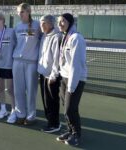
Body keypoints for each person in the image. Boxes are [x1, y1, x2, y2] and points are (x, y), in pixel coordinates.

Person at [56, 13, 87, 146]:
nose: (60, 24)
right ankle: (70, 130)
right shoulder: (65, 37)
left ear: (70, 22)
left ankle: (76, 134)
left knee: (70, 109)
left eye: (63, 21)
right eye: (59, 21)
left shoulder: (76, 38)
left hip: (75, 79)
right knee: (66, 108)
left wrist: (71, 86)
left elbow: (75, 64)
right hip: (65, 77)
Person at [12, 3, 41, 125]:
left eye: (22, 12)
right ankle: (20, 114)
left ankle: (30, 116)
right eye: (18, 12)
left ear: (28, 12)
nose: (20, 14)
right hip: (17, 62)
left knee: (31, 91)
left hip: (31, 63)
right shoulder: (17, 26)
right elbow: (15, 44)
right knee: (18, 90)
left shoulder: (37, 25)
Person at [0, 13, 16, 123]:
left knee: (10, 90)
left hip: (9, 65)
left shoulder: (11, 32)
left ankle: (14, 111)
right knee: (1, 89)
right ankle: (3, 109)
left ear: (2, 20)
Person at [37, 15, 62, 132]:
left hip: (51, 76)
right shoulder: (44, 36)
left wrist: (53, 76)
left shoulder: (56, 37)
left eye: (44, 23)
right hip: (43, 74)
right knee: (46, 100)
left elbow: (57, 59)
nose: (42, 25)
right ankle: (50, 121)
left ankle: (54, 124)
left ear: (51, 24)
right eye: (41, 23)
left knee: (52, 101)